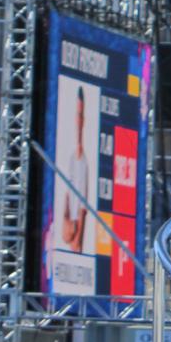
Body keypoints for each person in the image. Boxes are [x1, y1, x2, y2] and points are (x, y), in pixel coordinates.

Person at [61, 86, 92, 251]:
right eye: (77, 116)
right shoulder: (71, 158)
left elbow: (83, 208)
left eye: (80, 116)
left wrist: (77, 236)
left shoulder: (84, 162)